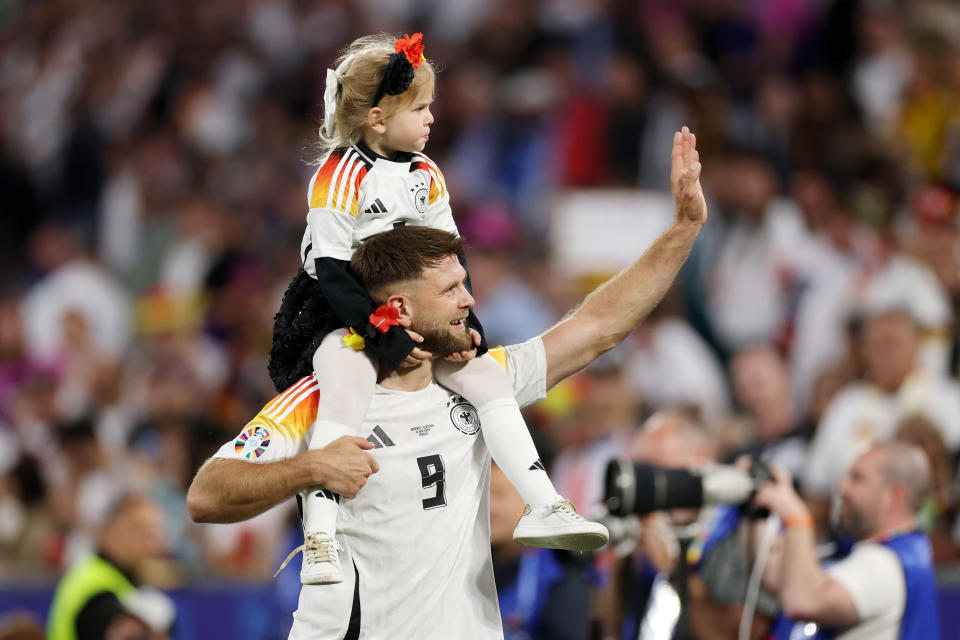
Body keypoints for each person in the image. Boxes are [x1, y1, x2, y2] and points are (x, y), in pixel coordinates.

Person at [186, 126, 708, 638]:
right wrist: (310, 467)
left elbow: (597, 327)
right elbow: (206, 495)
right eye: (451, 289)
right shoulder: (319, 399)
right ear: (400, 308)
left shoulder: (480, 379)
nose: (470, 300)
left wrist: (682, 230)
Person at [267, 32, 604, 586]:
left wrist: (465, 326)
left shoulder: (426, 174)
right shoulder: (338, 176)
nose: (431, 119)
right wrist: (380, 336)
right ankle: (321, 531)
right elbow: (330, 271)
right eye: (419, 108)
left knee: (487, 378)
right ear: (376, 118)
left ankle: (543, 502)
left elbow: (451, 258)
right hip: (341, 310)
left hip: (418, 308)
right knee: (344, 384)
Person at [754, 442, 940, 639]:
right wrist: (756, 509)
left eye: (857, 478)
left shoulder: (887, 564)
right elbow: (777, 576)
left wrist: (796, 516)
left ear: (894, 495)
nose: (842, 487)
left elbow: (804, 602)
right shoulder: (869, 552)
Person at [47, 494, 175, 640]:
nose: (154, 543)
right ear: (110, 531)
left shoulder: (113, 578)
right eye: (139, 530)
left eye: (155, 532)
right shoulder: (96, 589)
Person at [489, 463, 591, 640]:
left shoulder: (559, 568)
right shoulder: (465, 563)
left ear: (529, 499)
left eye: (498, 494)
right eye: (483, 495)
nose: (489, 506)